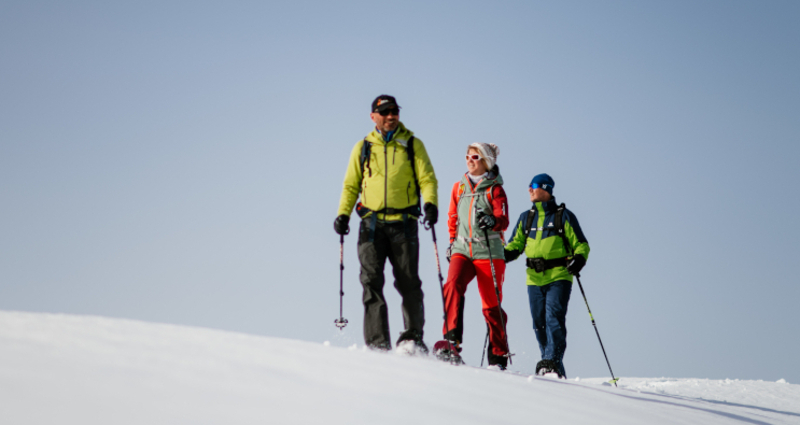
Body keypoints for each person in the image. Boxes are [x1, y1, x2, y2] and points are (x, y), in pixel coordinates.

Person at [333, 95, 438, 353]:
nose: (391, 116)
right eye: (385, 112)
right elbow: (350, 185)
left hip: (404, 225)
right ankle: (378, 344)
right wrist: (343, 214)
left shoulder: (412, 144)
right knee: (371, 281)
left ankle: (412, 338)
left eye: (395, 111)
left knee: (408, 282)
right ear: (373, 116)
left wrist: (431, 203)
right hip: (371, 225)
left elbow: (427, 179)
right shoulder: (363, 147)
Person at [503, 173, 589, 378]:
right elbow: (515, 245)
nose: (529, 190)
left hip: (559, 276)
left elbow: (581, 244)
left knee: (553, 319)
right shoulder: (526, 217)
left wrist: (579, 259)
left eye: (532, 186)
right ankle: (551, 364)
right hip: (533, 278)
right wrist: (502, 255)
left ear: (545, 188)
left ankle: (551, 360)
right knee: (538, 322)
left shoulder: (563, 215)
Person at [434, 143, 510, 369]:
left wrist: (492, 221)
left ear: (486, 161)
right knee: (452, 284)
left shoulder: (495, 189)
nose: (470, 160)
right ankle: (451, 340)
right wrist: (451, 243)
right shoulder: (459, 187)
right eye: (467, 156)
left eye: (475, 156)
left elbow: (503, 219)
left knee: (490, 303)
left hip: (489, 251)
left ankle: (498, 355)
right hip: (462, 249)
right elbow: (452, 216)